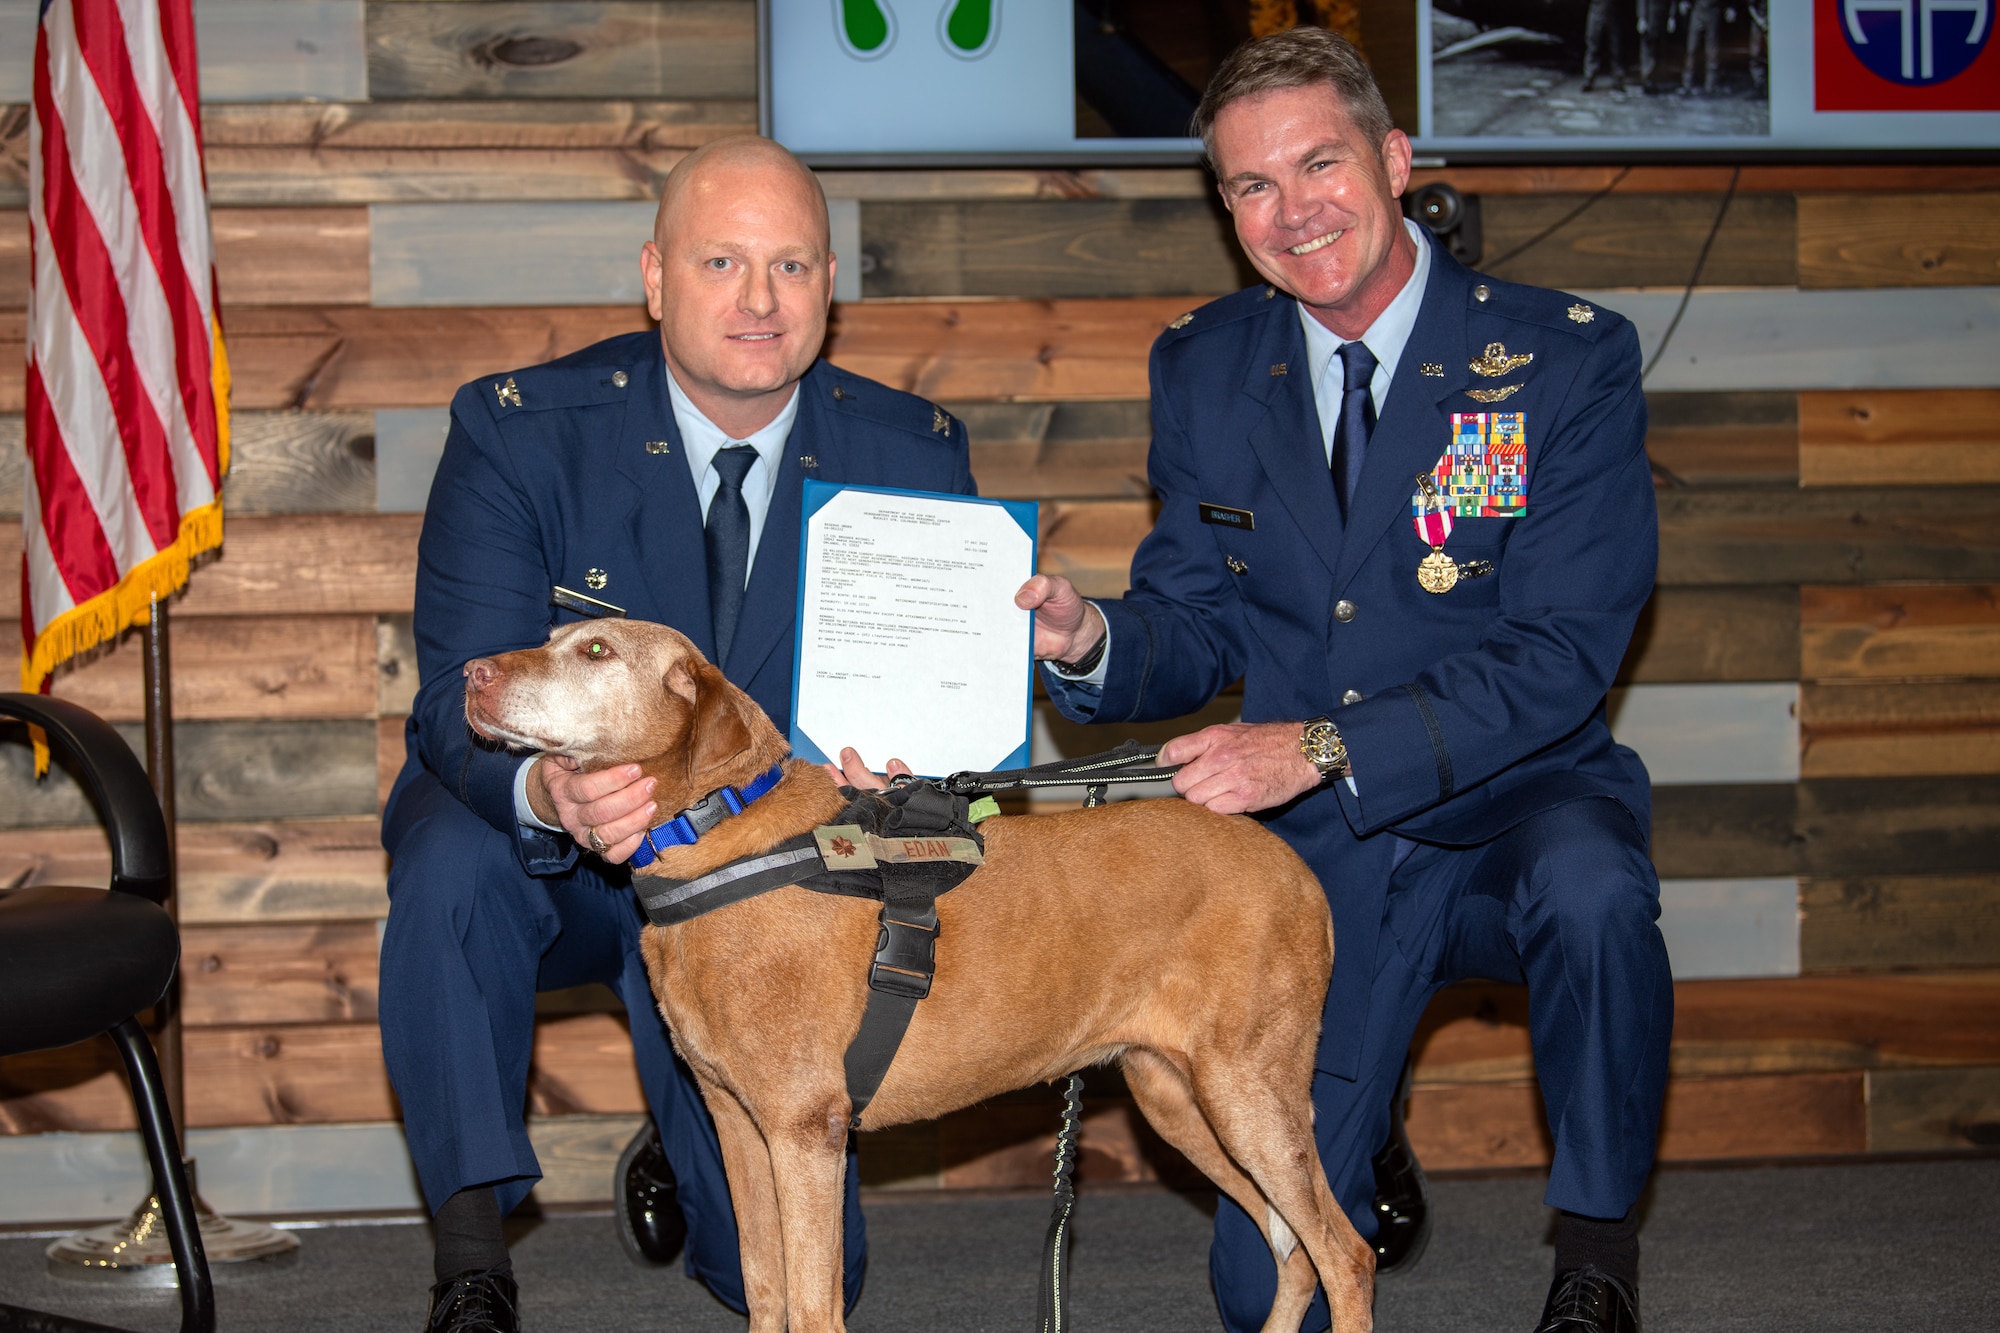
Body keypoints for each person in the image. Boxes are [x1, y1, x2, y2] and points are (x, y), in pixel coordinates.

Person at [1018, 28, 1671, 1333]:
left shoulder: (1558, 359)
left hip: (1515, 805)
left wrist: (1317, 741)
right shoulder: (1205, 365)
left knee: (1598, 898)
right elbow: (1200, 623)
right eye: (1250, 187)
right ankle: (1359, 1136)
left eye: (1318, 164)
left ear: (1392, 156)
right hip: (1313, 849)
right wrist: (1094, 639)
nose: (1290, 210)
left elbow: (1563, 653)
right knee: (1271, 1288)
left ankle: (1597, 1251)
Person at [378, 136, 975, 1333]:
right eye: (721, 262)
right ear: (656, 278)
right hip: (563, 865)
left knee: (805, 1278)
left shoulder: (912, 452)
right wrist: (550, 793)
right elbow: (456, 695)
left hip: (772, 897)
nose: (759, 300)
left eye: (791, 266)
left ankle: (681, 1104)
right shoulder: (521, 431)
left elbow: (941, 728)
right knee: (450, 859)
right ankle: (470, 1258)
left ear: (828, 288)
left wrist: (921, 771)